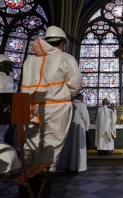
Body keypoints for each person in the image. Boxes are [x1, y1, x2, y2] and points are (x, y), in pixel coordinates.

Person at [20, 26, 82, 197]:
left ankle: (26, 188)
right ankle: (41, 190)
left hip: (30, 107)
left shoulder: (29, 61)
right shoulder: (66, 58)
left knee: (29, 146)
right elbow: (75, 85)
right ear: (62, 43)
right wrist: (65, 94)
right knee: (50, 148)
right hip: (57, 106)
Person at [56, 93, 90, 172]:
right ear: (81, 98)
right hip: (79, 128)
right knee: (78, 145)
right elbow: (86, 118)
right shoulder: (82, 105)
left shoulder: (69, 105)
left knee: (70, 145)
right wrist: (87, 128)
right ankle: (79, 166)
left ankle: (68, 165)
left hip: (70, 128)